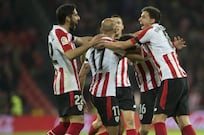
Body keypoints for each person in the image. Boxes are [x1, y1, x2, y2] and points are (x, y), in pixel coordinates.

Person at [98, 6, 196, 135]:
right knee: (183, 121)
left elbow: (124, 45)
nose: (140, 19)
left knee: (158, 119)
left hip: (169, 78)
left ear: (152, 20)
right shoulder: (158, 33)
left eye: (143, 17)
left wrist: (104, 43)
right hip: (180, 78)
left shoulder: (149, 31)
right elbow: (148, 54)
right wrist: (173, 46)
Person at [46, 3, 102, 135]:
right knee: (78, 123)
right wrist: (90, 45)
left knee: (65, 124)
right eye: (75, 15)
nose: (78, 18)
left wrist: (101, 40)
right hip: (67, 83)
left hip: (63, 82)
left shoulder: (62, 34)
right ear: (67, 18)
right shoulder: (60, 33)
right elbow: (70, 55)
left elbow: (82, 41)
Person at [85, 15, 139, 135]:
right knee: (106, 126)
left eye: (119, 23)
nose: (118, 25)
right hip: (109, 90)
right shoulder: (113, 47)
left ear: (122, 26)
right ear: (113, 29)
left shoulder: (124, 44)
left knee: (129, 124)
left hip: (124, 87)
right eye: (115, 23)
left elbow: (134, 60)